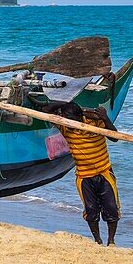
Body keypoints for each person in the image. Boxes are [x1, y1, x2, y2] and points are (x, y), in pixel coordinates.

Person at [45, 101, 121, 246]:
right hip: (84, 175)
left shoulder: (94, 122)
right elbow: (47, 110)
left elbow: (114, 137)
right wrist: (65, 104)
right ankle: (97, 240)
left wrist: (105, 118)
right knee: (91, 210)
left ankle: (111, 241)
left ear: (79, 117)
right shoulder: (65, 127)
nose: (69, 122)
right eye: (65, 118)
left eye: (71, 118)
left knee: (111, 208)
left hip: (104, 172)